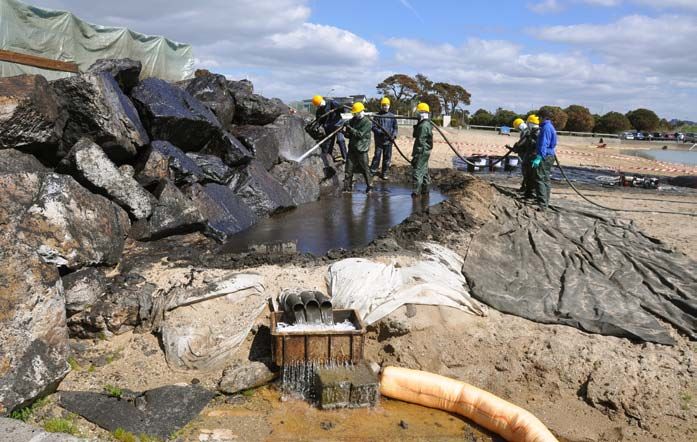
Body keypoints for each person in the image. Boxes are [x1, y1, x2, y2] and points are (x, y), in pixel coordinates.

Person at [343, 102, 373, 193]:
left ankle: (370, 187)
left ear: (361, 112)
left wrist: (350, 128)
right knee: (348, 169)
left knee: (365, 168)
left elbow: (359, 134)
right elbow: (349, 134)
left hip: (362, 148)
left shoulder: (367, 122)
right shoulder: (353, 120)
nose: (354, 115)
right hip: (352, 148)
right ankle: (347, 188)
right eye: (354, 113)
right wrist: (345, 131)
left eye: (356, 113)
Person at [531, 110, 557, 210]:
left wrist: (539, 157)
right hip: (550, 155)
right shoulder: (550, 126)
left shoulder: (546, 128)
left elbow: (543, 144)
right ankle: (545, 202)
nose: (538, 119)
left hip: (545, 156)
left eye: (539, 117)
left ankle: (542, 205)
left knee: (539, 178)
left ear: (544, 117)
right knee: (546, 179)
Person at [312, 95, 347, 161]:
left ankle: (345, 158)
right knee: (329, 143)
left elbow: (343, 110)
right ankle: (328, 158)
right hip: (328, 128)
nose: (319, 106)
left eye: (320, 103)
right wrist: (316, 127)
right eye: (318, 105)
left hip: (338, 125)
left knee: (340, 140)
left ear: (322, 100)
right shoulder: (319, 111)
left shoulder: (331, 103)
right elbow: (319, 121)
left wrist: (340, 108)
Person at [370, 97, 398, 180]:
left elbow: (395, 127)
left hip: (389, 140)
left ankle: (384, 173)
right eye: (383, 105)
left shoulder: (392, 116)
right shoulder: (377, 116)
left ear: (389, 106)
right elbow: (373, 127)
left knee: (387, 158)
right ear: (381, 106)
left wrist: (393, 135)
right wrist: (380, 132)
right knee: (377, 156)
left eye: (387, 105)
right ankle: (372, 171)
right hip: (379, 140)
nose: (385, 107)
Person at [411, 102, 433, 197]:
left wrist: (416, 156)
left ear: (422, 113)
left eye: (418, 112)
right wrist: (417, 124)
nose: (417, 114)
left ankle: (416, 192)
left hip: (421, 151)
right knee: (424, 171)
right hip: (425, 151)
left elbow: (420, 141)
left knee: (417, 171)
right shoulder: (426, 124)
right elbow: (415, 135)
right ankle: (425, 190)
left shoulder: (423, 126)